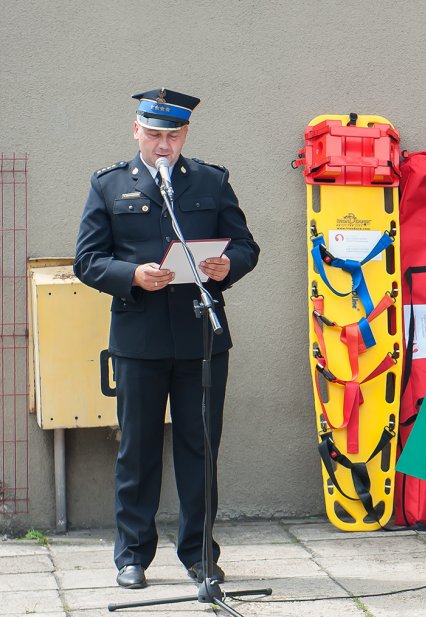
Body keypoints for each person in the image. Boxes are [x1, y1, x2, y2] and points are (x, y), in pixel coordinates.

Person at [74, 88, 260, 589]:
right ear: (136, 131)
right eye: (154, 134)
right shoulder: (109, 185)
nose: (163, 144)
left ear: (185, 135)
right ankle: (131, 556)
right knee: (137, 450)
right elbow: (88, 260)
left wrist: (227, 266)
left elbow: (245, 245)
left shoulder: (210, 181)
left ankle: (200, 555)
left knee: (200, 448)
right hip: (139, 339)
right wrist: (133, 274)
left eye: (172, 135)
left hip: (201, 337)